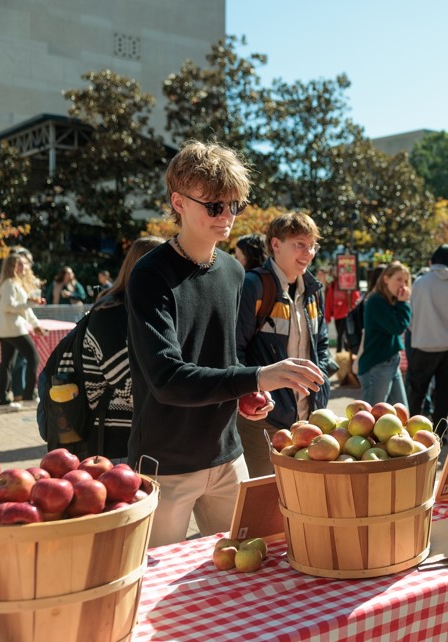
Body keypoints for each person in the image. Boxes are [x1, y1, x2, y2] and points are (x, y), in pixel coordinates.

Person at [126, 141, 325, 547]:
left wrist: (245, 395)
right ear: (178, 202)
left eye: (234, 205)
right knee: (157, 577)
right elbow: (167, 379)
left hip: (227, 454)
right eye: (215, 206)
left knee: (249, 563)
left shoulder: (233, 271)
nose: (227, 217)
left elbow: (224, 358)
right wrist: (257, 376)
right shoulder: (149, 274)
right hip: (166, 461)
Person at [236, 211, 334, 478]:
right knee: (264, 492)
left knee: (302, 491)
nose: (308, 253)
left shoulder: (313, 291)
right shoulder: (254, 286)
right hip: (264, 419)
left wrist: (322, 380)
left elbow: (321, 344)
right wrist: (254, 395)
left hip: (308, 416)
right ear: (275, 244)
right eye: (299, 244)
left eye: (312, 245)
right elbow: (235, 349)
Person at [80, 236, 163, 460]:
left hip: (152, 434)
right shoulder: (110, 313)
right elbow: (127, 385)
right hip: (116, 441)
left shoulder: (153, 310)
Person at [408, 244, 448, 431]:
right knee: (443, 397)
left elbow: (410, 316)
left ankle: (412, 434)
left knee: (416, 395)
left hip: (422, 347)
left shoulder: (419, 283)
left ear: (433, 261)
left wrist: (420, 332)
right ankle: (440, 435)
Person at [0, 253, 47, 410]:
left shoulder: (11, 284)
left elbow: (23, 309)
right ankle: (28, 394)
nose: (24, 267)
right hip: (14, 329)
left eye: (24, 263)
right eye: (20, 264)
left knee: (7, 364)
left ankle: (1, 397)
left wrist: (35, 324)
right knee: (33, 358)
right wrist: (29, 303)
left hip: (7, 329)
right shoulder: (10, 284)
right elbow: (7, 306)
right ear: (12, 266)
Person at [358, 261, 411, 405]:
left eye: (405, 281)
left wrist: (401, 303)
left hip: (390, 362)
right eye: (399, 279)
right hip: (378, 365)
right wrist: (403, 303)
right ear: (386, 279)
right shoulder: (376, 301)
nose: (403, 284)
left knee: (402, 413)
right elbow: (397, 327)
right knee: (373, 415)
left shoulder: (388, 300)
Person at [325, 264, 361, 351]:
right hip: (337, 315)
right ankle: (344, 353)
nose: (336, 272)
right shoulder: (332, 285)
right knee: (341, 335)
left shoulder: (347, 282)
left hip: (346, 314)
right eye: (334, 270)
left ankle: (340, 352)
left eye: (337, 270)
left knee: (342, 336)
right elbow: (329, 301)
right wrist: (327, 316)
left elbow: (356, 297)